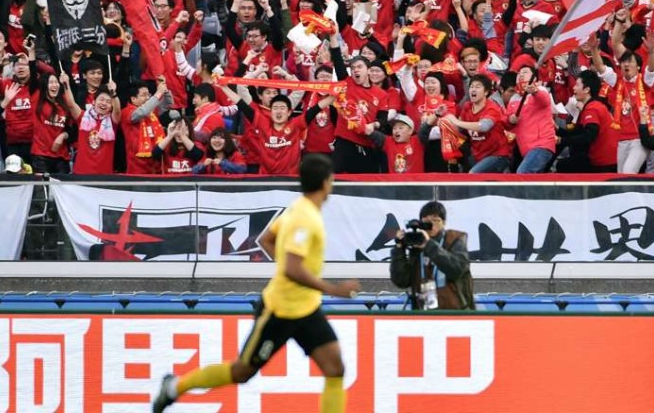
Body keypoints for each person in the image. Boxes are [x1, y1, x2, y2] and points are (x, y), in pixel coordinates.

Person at [152, 154, 360, 412]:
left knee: (335, 369)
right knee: (242, 371)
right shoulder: (305, 218)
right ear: (327, 182)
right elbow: (292, 268)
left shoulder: (298, 208)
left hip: (306, 309)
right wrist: (335, 289)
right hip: (280, 311)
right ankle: (174, 387)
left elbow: (266, 240)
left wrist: (291, 268)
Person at [389, 201, 474, 309]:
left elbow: (457, 270)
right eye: (427, 222)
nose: (432, 225)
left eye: (436, 220)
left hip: (454, 310)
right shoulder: (417, 244)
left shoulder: (454, 239)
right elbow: (402, 281)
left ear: (444, 222)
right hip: (423, 310)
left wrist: (428, 244)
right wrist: (399, 249)